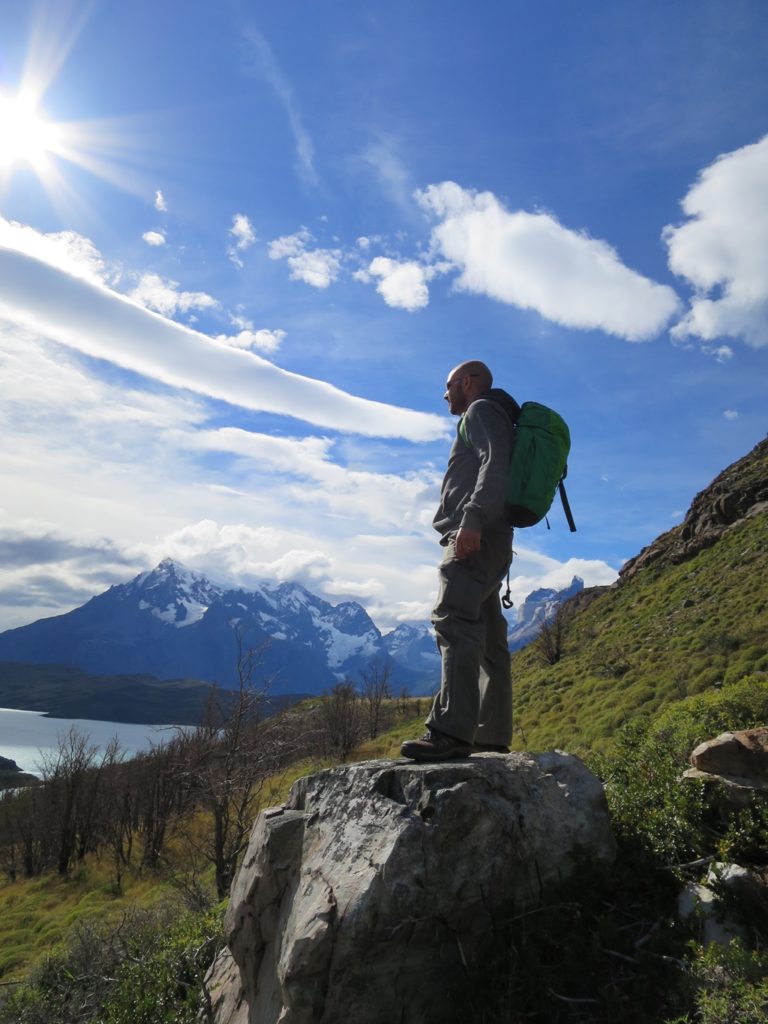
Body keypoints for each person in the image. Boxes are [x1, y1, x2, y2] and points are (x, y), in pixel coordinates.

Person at [401, 360, 517, 762]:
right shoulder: (497, 413)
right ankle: (491, 734)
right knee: (489, 641)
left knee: (453, 620)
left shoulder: (480, 410)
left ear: (467, 383)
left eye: (448, 386)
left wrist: (470, 521)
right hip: (493, 537)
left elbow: (494, 463)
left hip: (474, 535)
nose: (445, 394)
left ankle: (450, 732)